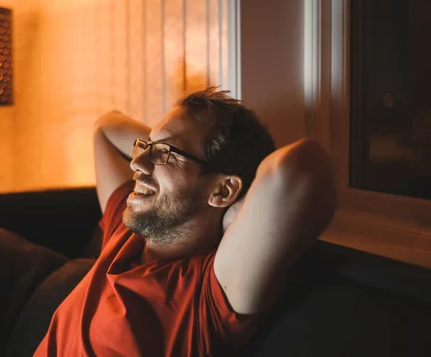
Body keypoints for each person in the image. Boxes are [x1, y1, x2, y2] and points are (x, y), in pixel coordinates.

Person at [33, 87, 337, 356]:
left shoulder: (208, 293)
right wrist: (163, 146)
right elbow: (106, 126)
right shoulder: (126, 231)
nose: (137, 165)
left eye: (164, 154)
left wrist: (233, 210)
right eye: (146, 147)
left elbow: (298, 167)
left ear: (222, 189)